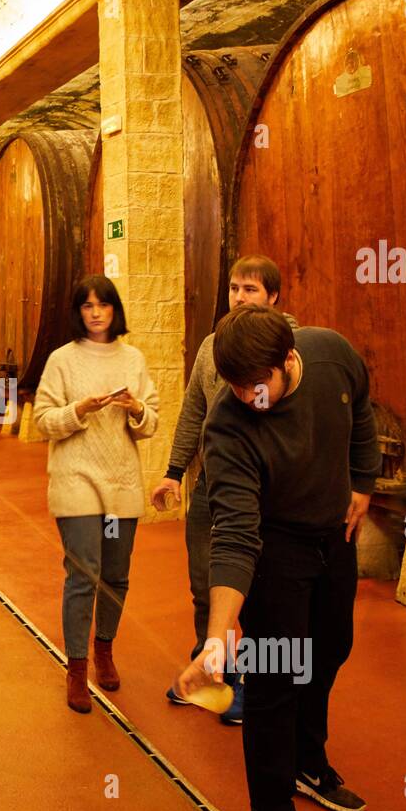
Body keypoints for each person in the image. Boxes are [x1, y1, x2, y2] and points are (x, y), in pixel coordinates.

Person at [176, 304, 381, 811]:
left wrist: (363, 481)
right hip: (275, 544)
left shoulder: (331, 354)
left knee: (332, 647)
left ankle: (307, 764)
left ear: (289, 358)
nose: (249, 397)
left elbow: (361, 408)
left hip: (335, 533)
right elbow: (237, 534)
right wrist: (220, 633)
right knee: (276, 673)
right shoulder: (228, 425)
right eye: (236, 386)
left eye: (256, 383)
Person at [150, 255, 299, 724]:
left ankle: (253, 682)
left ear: (273, 296)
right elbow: (193, 411)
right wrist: (174, 471)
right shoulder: (212, 346)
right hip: (210, 488)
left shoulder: (288, 346)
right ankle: (210, 668)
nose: (238, 297)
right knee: (204, 584)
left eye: (250, 290)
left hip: (262, 496)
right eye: (234, 288)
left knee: (255, 592)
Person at [33, 275, 159, 713]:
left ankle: (104, 648)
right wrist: (78, 410)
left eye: (102, 304)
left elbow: (152, 423)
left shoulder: (134, 359)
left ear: (114, 309)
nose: (95, 312)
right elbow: (42, 420)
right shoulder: (61, 361)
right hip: (75, 479)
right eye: (86, 305)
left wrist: (137, 409)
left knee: (116, 575)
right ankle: (77, 668)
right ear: (78, 312)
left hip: (121, 480)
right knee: (84, 572)